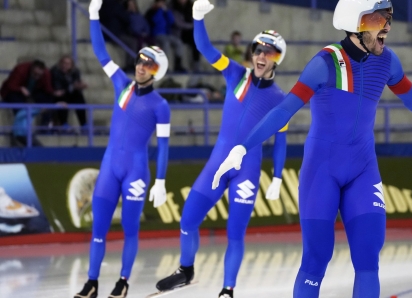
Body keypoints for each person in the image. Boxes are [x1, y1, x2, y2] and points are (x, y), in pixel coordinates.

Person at [212, 0, 412, 297]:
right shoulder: (325, 63)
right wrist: (241, 148)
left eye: (389, 18)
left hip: (363, 170)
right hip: (321, 171)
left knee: (368, 260)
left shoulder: (387, 61)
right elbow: (284, 110)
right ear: (356, 24)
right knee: (315, 260)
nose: (387, 27)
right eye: (379, 20)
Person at [154, 1, 288, 298]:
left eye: (269, 52)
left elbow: (281, 140)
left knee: (235, 233)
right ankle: (185, 270)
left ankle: (227, 289)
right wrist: (198, 16)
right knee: (188, 219)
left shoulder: (280, 99)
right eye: (258, 50)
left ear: (278, 60)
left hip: (248, 169)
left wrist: (277, 178)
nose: (261, 56)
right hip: (218, 161)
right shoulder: (236, 74)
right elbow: (204, 47)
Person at [74, 0, 171, 297]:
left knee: (130, 229)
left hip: (136, 171)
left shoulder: (161, 106)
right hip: (109, 168)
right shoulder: (120, 84)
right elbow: (100, 50)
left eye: (148, 65)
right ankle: (91, 282)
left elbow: (164, 146)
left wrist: (161, 180)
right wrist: (93, 16)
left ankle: (123, 281)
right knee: (98, 230)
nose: (141, 67)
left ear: (157, 72)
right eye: (140, 61)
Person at [0, 59, 61, 145]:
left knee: (48, 99)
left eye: (39, 75)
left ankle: (44, 126)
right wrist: (20, 88)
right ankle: (18, 135)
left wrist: (55, 98)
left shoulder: (46, 73)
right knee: (21, 110)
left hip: (32, 93)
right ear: (31, 69)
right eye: (35, 74)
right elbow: (10, 85)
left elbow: (48, 90)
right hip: (15, 92)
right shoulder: (20, 70)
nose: (37, 77)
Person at [145, 0, 186, 72]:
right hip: (156, 34)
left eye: (163, 3)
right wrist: (159, 10)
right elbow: (155, 20)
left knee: (178, 42)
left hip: (167, 34)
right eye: (160, 2)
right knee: (166, 43)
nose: (162, 4)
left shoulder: (166, 11)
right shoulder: (151, 11)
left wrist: (167, 12)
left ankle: (178, 64)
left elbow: (172, 21)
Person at [50, 55, 88, 128]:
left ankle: (83, 124)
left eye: (68, 64)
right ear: (60, 63)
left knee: (79, 97)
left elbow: (77, 83)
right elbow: (58, 88)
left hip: (70, 93)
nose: (65, 65)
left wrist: (80, 86)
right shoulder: (54, 71)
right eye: (64, 63)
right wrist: (73, 87)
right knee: (62, 98)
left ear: (71, 65)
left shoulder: (75, 71)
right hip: (58, 95)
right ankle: (63, 123)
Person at [172, 0, 201, 71]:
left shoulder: (191, 7)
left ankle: (196, 64)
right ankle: (178, 65)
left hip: (189, 32)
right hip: (179, 32)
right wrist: (191, 26)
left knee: (197, 41)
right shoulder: (173, 8)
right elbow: (178, 23)